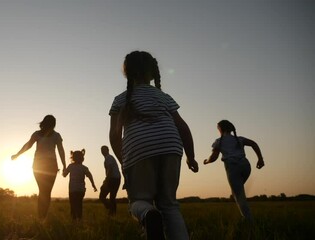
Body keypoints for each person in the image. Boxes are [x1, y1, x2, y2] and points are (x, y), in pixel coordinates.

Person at [109, 50, 199, 240]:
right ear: (152, 73)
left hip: (139, 149)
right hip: (171, 145)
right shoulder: (163, 96)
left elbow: (114, 136)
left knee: (139, 202)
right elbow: (182, 127)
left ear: (127, 72)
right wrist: (191, 156)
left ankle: (148, 215)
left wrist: (123, 162)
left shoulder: (120, 100)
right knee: (169, 205)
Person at [204, 120, 265, 220]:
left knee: (238, 196)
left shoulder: (219, 141)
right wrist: (260, 159)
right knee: (237, 192)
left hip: (232, 167)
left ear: (220, 129)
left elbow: (213, 158)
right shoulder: (239, 139)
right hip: (246, 166)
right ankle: (246, 215)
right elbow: (254, 144)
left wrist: (206, 161)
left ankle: (249, 221)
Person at [11, 115, 66, 220]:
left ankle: (42, 217)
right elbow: (28, 145)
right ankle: (42, 217)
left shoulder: (56, 136)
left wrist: (64, 165)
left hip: (48, 166)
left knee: (44, 191)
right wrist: (17, 154)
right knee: (44, 191)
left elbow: (61, 150)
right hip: (40, 166)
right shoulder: (37, 134)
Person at [62, 149, 97, 220]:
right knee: (79, 204)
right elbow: (90, 176)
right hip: (81, 190)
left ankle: (74, 221)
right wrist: (93, 185)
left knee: (73, 205)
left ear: (73, 158)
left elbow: (64, 175)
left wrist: (63, 169)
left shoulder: (70, 166)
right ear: (82, 158)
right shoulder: (84, 168)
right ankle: (79, 219)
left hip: (72, 189)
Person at [99, 145, 121, 216]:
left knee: (102, 196)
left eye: (104, 150)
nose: (102, 151)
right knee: (112, 197)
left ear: (108, 150)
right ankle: (112, 213)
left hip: (113, 179)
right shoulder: (109, 158)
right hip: (116, 179)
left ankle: (110, 208)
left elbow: (110, 169)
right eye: (101, 150)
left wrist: (106, 180)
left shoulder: (108, 158)